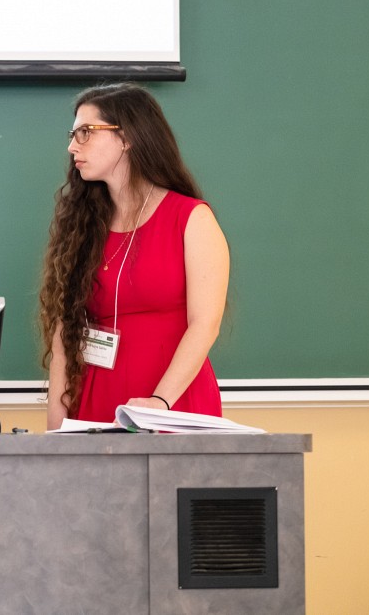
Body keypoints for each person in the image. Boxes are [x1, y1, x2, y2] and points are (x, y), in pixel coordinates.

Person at [39, 83, 229, 430]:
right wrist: (56, 420)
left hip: (172, 404)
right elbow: (65, 332)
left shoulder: (191, 218)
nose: (71, 146)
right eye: (73, 134)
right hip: (96, 404)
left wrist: (159, 402)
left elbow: (205, 324)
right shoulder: (83, 226)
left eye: (85, 132)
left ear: (126, 138)